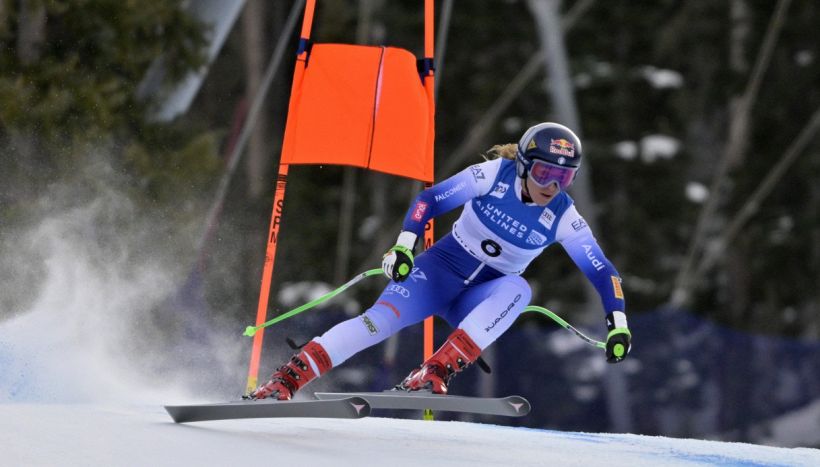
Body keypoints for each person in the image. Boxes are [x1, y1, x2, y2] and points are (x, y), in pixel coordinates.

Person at [250, 122, 631, 400]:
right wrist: (403, 248)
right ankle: (285, 380)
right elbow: (428, 201)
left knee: (518, 290)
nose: (552, 187)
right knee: (376, 323)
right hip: (438, 273)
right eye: (545, 172)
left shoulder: (564, 215)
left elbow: (602, 271)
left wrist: (617, 323)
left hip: (479, 295)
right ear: (524, 165)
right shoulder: (493, 175)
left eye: (564, 177)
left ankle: (434, 370)